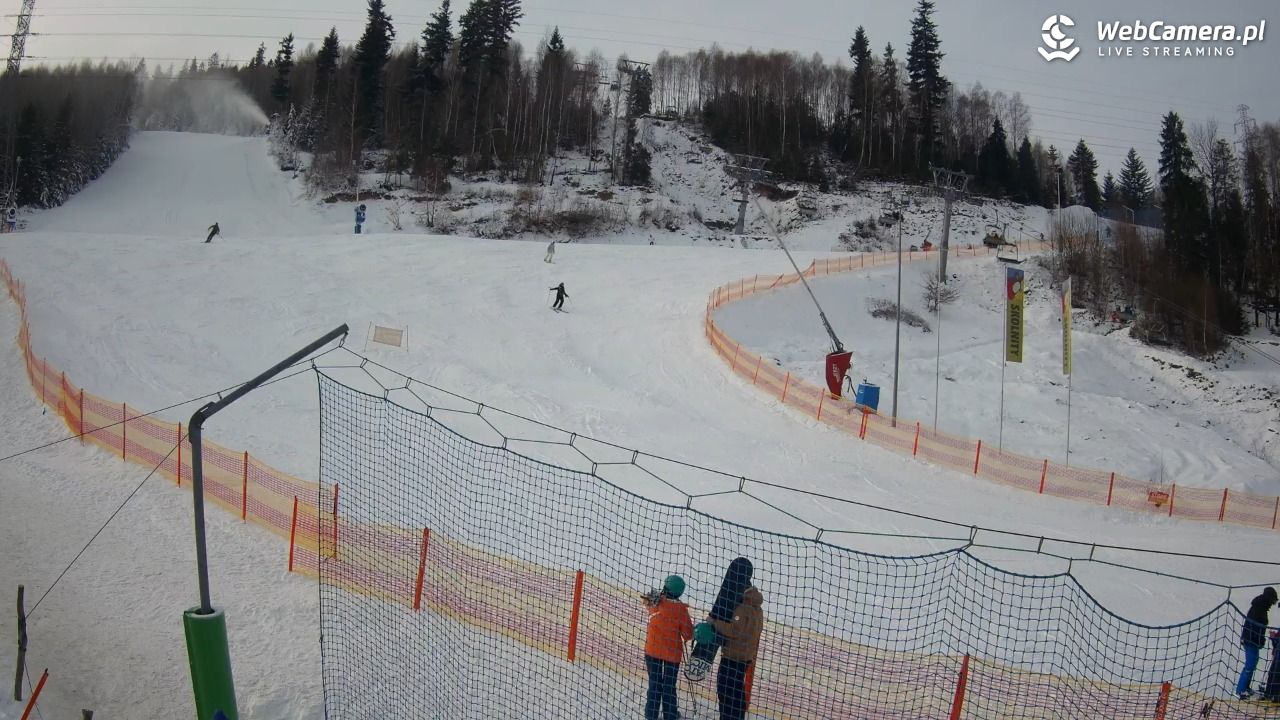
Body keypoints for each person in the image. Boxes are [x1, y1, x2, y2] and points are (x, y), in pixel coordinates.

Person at [642, 575, 694, 720]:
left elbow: (648, 601)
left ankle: (651, 714)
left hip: (652, 651)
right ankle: (670, 714)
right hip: (672, 655)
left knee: (654, 683)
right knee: (669, 685)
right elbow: (688, 634)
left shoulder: (655, 602)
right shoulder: (680, 610)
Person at [711, 585, 763, 720]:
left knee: (725, 691)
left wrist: (715, 622)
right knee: (737, 689)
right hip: (746, 657)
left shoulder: (743, 609)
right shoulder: (759, 611)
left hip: (732, 657)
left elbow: (734, 630)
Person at [1238, 587, 1277, 699]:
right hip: (1250, 640)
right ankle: (1241, 690)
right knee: (1250, 665)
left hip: (1253, 640)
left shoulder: (1262, 607)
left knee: (1253, 663)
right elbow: (1254, 627)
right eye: (1272, 601)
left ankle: (1246, 687)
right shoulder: (1258, 608)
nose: (1272, 604)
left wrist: (1260, 639)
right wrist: (1258, 639)